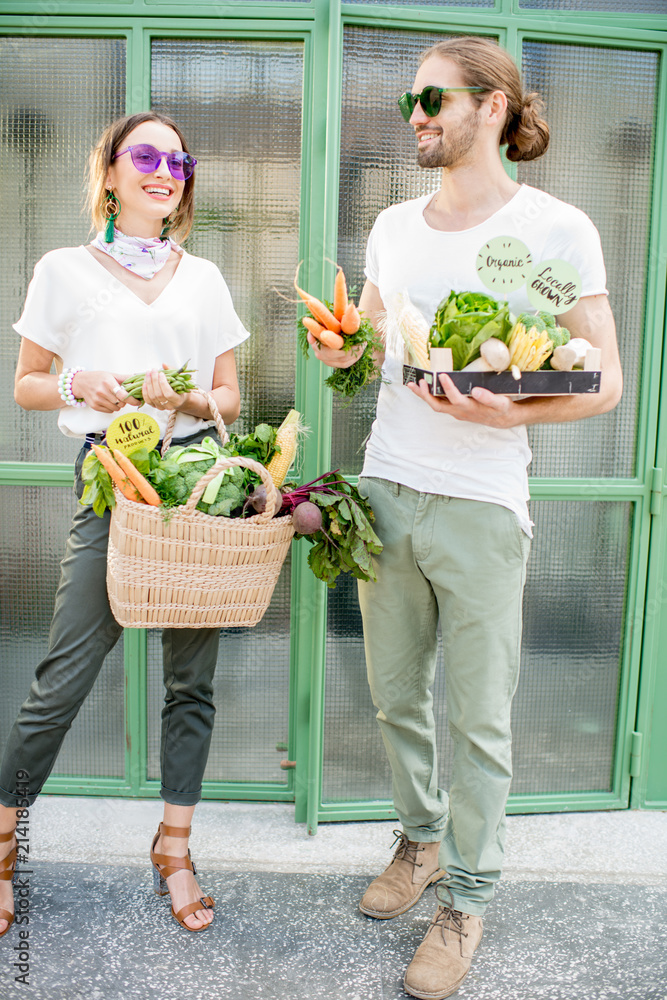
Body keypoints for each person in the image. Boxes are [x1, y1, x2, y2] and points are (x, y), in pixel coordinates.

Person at [308, 36, 622, 1000]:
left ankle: (466, 901)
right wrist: (343, 358)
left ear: (491, 107)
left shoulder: (556, 230)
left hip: (486, 504)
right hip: (388, 489)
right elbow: (366, 353)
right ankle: (421, 843)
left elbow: (602, 380)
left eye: (433, 99)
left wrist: (514, 407)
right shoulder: (392, 227)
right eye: (409, 101)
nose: (416, 116)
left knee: (478, 719)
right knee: (396, 698)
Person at [0, 111, 249, 935]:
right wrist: (84, 384)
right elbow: (29, 383)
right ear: (108, 171)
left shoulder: (204, 277)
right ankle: (2, 844)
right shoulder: (65, 270)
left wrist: (184, 398)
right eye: (144, 155)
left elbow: (230, 399)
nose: (164, 170)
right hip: (112, 474)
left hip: (194, 482)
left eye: (178, 159)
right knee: (63, 676)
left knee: (192, 682)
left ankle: (173, 848)